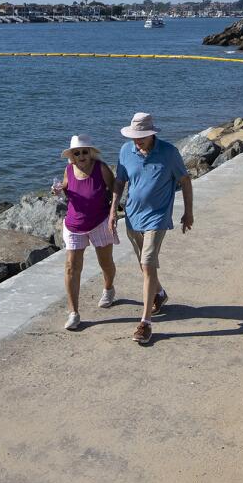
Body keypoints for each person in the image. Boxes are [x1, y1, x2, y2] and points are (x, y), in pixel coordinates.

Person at [109, 112, 193, 344]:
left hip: (157, 218)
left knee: (147, 263)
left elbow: (185, 180)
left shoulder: (169, 153)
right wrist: (113, 210)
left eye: (143, 136)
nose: (138, 140)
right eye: (135, 136)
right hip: (132, 217)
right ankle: (160, 294)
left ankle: (145, 323)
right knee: (145, 267)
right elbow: (120, 181)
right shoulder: (126, 151)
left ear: (152, 133)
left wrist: (188, 211)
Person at [52, 135, 118, 330]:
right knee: (71, 267)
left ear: (91, 153)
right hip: (74, 225)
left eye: (84, 152)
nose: (81, 155)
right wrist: (57, 191)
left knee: (106, 263)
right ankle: (74, 313)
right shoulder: (68, 170)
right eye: (77, 153)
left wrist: (114, 210)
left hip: (100, 222)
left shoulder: (101, 168)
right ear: (72, 156)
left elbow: (115, 188)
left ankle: (108, 288)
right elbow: (65, 188)